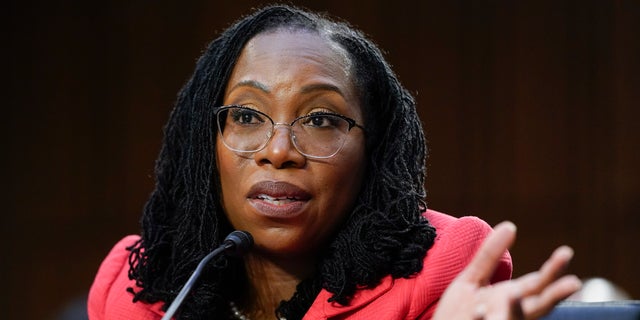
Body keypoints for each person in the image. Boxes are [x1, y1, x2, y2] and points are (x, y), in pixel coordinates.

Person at [88, 5, 580, 320]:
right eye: (246, 115)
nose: (278, 151)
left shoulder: (441, 268)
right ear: (206, 142)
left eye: (321, 119)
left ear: (375, 151)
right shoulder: (139, 285)